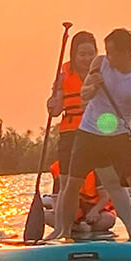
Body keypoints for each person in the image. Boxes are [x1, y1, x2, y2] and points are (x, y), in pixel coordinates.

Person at [47, 28, 131, 241]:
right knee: (72, 182)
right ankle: (65, 233)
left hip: (119, 135)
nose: (106, 56)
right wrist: (93, 86)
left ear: (126, 53)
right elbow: (84, 94)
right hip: (88, 132)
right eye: (105, 51)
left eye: (111, 52)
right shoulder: (99, 63)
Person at [46, 31, 99, 179]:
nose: (87, 59)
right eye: (82, 54)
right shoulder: (63, 77)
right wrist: (51, 103)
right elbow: (55, 111)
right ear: (74, 55)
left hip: (97, 131)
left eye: (91, 54)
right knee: (67, 177)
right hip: (71, 133)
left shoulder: (103, 74)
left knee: (102, 176)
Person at [47, 161, 116, 234]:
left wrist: (95, 211)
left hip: (94, 209)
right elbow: (55, 197)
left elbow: (105, 197)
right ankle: (78, 228)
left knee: (108, 219)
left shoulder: (95, 167)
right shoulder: (59, 167)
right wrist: (58, 212)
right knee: (45, 216)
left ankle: (80, 228)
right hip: (72, 212)